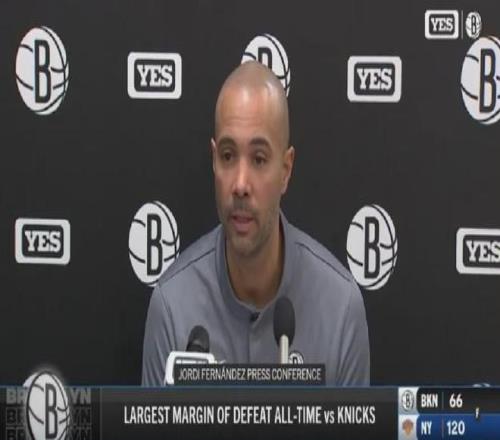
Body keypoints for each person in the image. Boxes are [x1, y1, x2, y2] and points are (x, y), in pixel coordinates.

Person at [142, 61, 370, 386]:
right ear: (213, 160)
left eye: (259, 159)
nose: (240, 184)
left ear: (286, 170)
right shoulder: (172, 305)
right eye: (228, 156)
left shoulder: (341, 308)